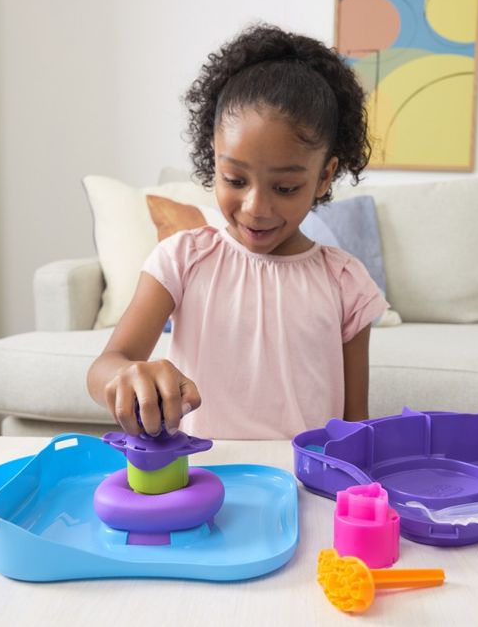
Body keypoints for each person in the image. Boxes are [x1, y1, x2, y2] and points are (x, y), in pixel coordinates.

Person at [86, 24, 389, 440]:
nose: (256, 208)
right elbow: (106, 365)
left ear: (324, 177)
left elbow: (356, 426)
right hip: (202, 472)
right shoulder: (182, 259)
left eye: (285, 188)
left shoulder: (346, 282)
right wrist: (127, 375)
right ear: (215, 160)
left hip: (302, 476)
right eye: (235, 179)